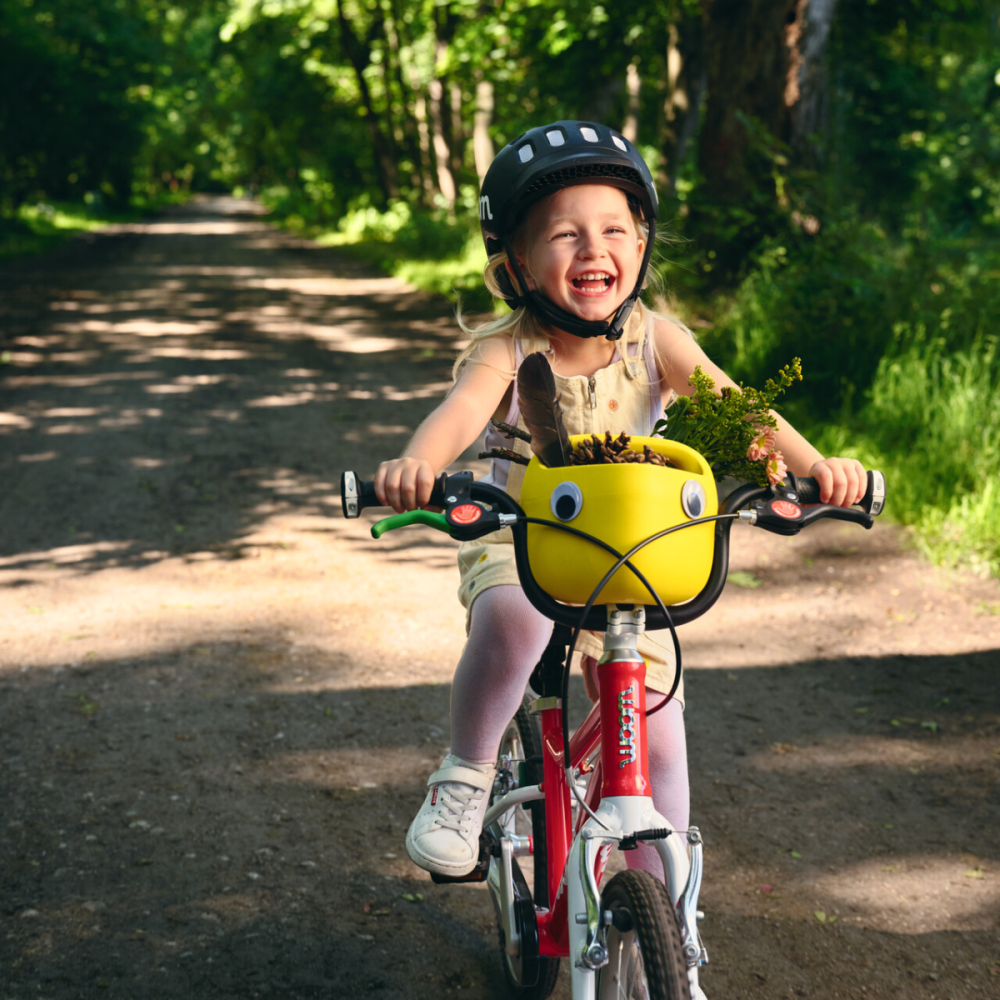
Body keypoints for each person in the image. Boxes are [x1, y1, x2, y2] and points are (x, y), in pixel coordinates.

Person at [374, 118, 865, 913]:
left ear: (640, 245)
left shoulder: (656, 341)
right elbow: (460, 412)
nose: (592, 248)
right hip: (527, 537)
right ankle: (464, 775)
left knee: (659, 731)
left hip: (636, 551)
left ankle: (671, 907)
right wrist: (421, 466)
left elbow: (740, 413)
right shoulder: (511, 348)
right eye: (563, 235)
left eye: (613, 229)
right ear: (516, 265)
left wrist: (816, 469)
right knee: (514, 621)